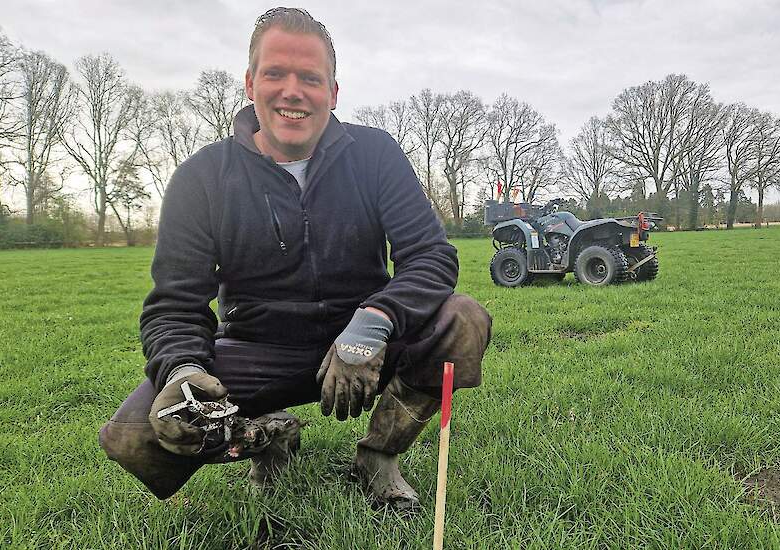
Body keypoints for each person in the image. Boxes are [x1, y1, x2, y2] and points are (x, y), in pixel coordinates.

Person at [98, 7, 491, 514]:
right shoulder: (202, 179)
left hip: (365, 342)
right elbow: (174, 304)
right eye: (275, 73)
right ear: (249, 83)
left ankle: (378, 458)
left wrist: (375, 320)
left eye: (310, 77)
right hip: (256, 350)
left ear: (333, 92)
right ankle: (265, 436)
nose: (292, 90)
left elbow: (431, 257)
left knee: (463, 320)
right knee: (135, 437)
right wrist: (183, 369)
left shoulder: (375, 155)